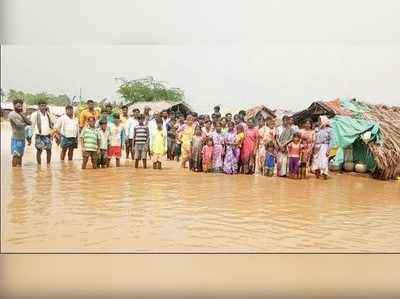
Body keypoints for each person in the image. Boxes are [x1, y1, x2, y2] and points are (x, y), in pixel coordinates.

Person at [8, 99, 32, 167]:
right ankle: (14, 172)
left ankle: (19, 173)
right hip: (16, 139)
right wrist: (25, 123)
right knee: (16, 156)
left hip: (22, 138)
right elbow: (19, 125)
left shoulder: (21, 114)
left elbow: (30, 123)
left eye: (21, 106)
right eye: (18, 106)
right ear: (14, 106)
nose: (20, 108)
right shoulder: (11, 114)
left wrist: (22, 115)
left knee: (20, 156)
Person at [30, 99, 55, 166]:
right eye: (41, 106)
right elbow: (31, 126)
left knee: (49, 151)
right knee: (39, 151)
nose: (43, 107)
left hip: (47, 135)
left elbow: (52, 124)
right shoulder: (35, 114)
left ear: (46, 106)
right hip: (39, 135)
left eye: (44, 105)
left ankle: (48, 165)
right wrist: (29, 136)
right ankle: (39, 166)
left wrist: (53, 135)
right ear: (38, 106)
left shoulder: (48, 114)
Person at [311, 116, 334, 180]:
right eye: (318, 121)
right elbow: (314, 139)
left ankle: (324, 175)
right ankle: (317, 176)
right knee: (316, 161)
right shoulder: (317, 129)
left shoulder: (329, 130)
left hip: (324, 147)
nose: (318, 122)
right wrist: (312, 148)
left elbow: (331, 140)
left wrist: (329, 150)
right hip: (316, 147)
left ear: (324, 121)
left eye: (320, 120)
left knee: (324, 161)